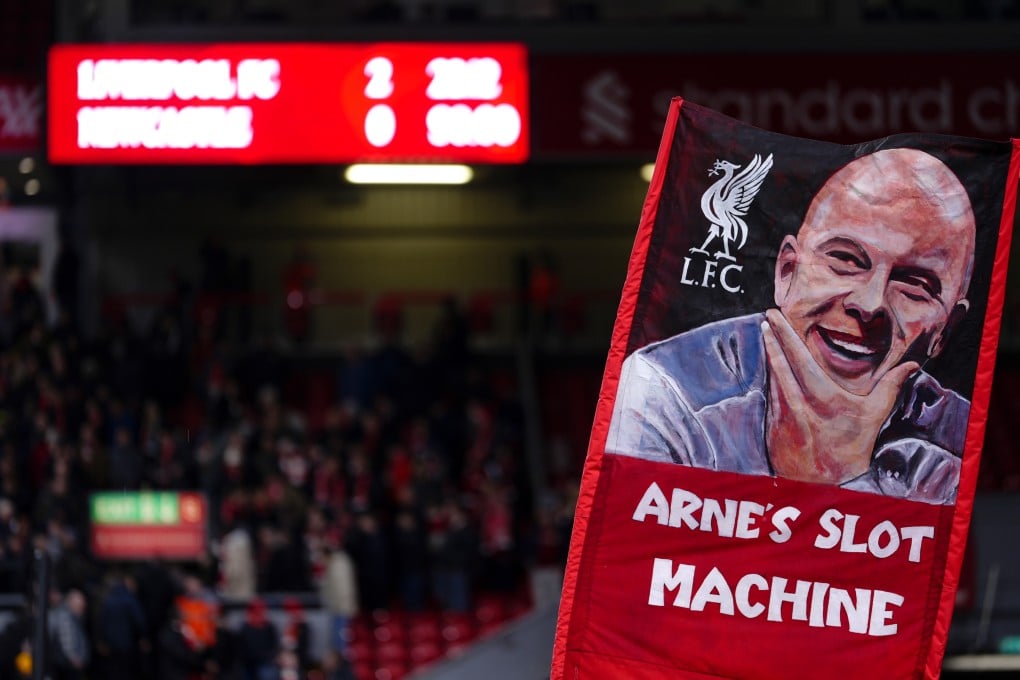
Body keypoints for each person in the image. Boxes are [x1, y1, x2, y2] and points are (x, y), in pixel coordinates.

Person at [606, 148, 977, 505]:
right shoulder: (667, 391)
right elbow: (639, 560)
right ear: (787, 272)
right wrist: (812, 482)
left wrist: (840, 475)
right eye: (845, 259)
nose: (869, 305)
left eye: (914, 285)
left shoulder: (958, 441)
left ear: (945, 329)